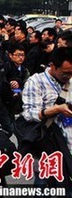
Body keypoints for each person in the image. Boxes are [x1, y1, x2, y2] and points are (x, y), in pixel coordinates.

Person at [21, 46, 72, 189]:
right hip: (47, 143)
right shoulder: (36, 82)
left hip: (69, 141)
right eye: (66, 73)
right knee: (44, 183)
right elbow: (29, 113)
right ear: (53, 67)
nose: (69, 76)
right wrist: (54, 110)